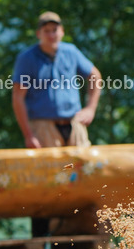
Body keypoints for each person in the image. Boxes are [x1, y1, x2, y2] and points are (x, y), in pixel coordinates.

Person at [12, 12, 101, 149]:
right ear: (38, 34)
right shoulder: (27, 58)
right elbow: (18, 97)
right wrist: (28, 135)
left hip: (75, 124)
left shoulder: (71, 52)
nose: (51, 35)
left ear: (62, 32)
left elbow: (95, 76)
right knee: (49, 164)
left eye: (55, 30)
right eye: (46, 31)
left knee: (82, 163)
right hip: (43, 127)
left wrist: (90, 109)